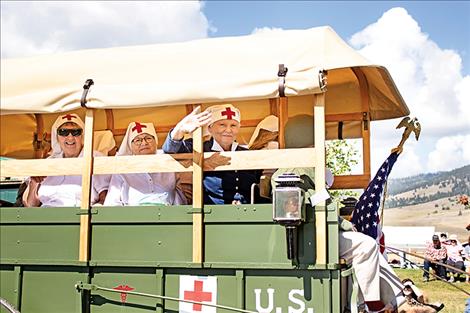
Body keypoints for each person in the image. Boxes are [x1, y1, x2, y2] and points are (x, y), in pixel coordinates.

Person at [271, 115, 404, 313]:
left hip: (317, 231)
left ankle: (387, 301)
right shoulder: (300, 170)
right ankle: (370, 305)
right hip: (309, 236)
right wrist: (347, 225)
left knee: (366, 247)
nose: (323, 144)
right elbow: (318, 204)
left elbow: (321, 203)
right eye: (319, 138)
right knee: (366, 245)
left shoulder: (302, 167)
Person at [162, 105, 260, 205]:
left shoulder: (247, 153)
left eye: (233, 125)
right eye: (222, 125)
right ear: (210, 128)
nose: (228, 130)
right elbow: (170, 151)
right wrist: (180, 129)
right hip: (213, 213)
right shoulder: (198, 148)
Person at [22, 114, 110, 207]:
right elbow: (31, 205)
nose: (70, 137)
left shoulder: (95, 158)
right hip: (45, 215)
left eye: (76, 132)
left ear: (82, 136)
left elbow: (105, 197)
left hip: (78, 216)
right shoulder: (48, 163)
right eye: (63, 132)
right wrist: (34, 183)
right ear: (56, 137)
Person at [104, 122, 186, 206]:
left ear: (156, 142)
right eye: (138, 140)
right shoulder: (122, 171)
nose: (144, 143)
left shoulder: (169, 164)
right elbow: (112, 203)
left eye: (148, 138)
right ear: (131, 146)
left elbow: (180, 200)